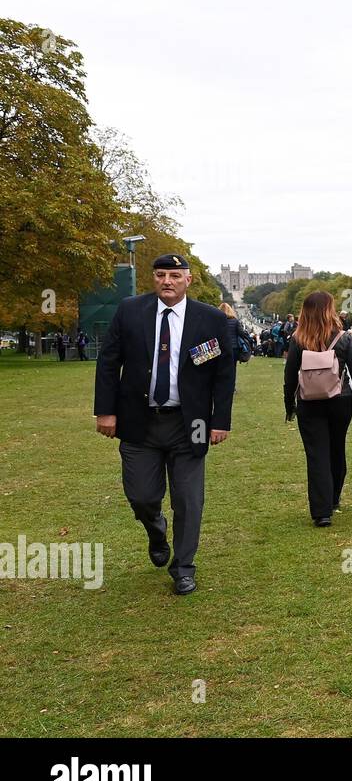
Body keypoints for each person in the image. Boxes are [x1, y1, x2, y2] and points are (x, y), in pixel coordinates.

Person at [93, 253, 236, 595]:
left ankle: (184, 566)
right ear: (153, 278)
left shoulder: (212, 319)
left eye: (174, 274)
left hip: (192, 423)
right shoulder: (130, 311)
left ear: (188, 280)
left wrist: (220, 421)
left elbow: (223, 374)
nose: (167, 281)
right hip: (138, 421)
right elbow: (109, 362)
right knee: (141, 495)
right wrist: (105, 411)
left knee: (188, 499)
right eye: (160, 274)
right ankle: (156, 529)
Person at [283, 290, 352, 527]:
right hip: (339, 400)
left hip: (309, 402)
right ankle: (333, 497)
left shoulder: (298, 339)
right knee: (336, 449)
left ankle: (321, 511)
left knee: (316, 454)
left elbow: (290, 376)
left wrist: (289, 405)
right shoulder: (343, 338)